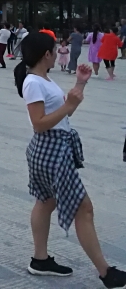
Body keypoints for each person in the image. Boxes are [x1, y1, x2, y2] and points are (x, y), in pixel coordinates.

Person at [14, 33, 126, 287]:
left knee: (45, 201)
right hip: (50, 150)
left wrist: (80, 85)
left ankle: (40, 260)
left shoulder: (43, 78)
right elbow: (39, 123)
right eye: (54, 50)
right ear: (46, 54)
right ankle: (105, 272)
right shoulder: (33, 82)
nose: (57, 53)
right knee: (83, 208)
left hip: (51, 148)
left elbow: (64, 114)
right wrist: (67, 105)